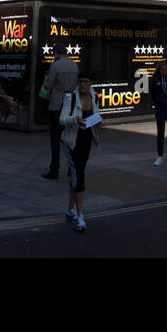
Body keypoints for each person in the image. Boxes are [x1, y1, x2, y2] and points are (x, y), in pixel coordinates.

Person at [60, 73, 100, 232]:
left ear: (91, 83)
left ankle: (70, 211)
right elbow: (61, 119)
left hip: (86, 141)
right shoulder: (71, 98)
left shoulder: (95, 97)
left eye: (85, 82)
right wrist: (74, 120)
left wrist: (98, 119)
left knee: (78, 173)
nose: (82, 85)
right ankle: (81, 215)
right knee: (79, 176)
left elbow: (96, 115)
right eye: (80, 82)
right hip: (71, 142)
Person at [41, 46, 80, 180]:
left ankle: (54, 169)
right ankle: (71, 167)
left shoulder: (55, 66)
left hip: (58, 102)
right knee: (70, 136)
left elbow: (49, 84)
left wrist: (44, 87)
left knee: (55, 136)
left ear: (56, 53)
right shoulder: (74, 65)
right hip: (70, 102)